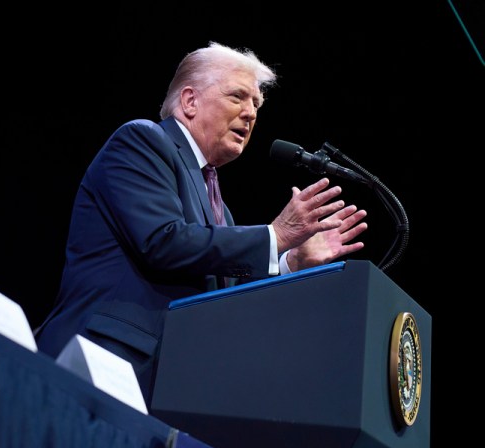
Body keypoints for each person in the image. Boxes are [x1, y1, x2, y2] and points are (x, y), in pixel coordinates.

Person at [34, 41, 368, 405]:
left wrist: (291, 263)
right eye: (238, 97)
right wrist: (276, 236)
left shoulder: (221, 211)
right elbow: (163, 242)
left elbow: (222, 302)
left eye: (256, 105)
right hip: (101, 363)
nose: (250, 114)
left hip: (173, 388)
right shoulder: (142, 141)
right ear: (190, 101)